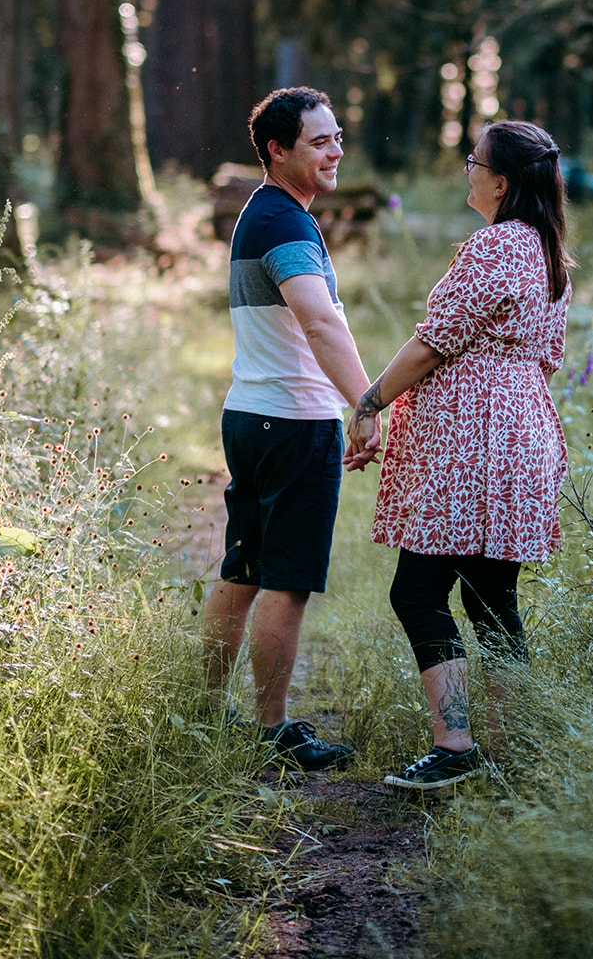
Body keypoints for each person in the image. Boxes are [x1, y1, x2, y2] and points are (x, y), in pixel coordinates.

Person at [346, 119, 574, 791]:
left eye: (471, 161)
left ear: (500, 180)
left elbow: (430, 343)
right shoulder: (548, 251)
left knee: (417, 592)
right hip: (520, 438)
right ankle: (511, 750)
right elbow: (547, 362)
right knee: (490, 595)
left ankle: (455, 746)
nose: (465, 170)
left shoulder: (494, 247)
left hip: (468, 446)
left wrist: (367, 403)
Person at [202, 87, 377, 771]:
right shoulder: (285, 224)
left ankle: (204, 712)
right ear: (277, 150)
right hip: (293, 422)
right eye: (319, 141)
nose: (334, 151)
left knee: (242, 569)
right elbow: (320, 320)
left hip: (251, 414)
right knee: (285, 580)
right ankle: (271, 730)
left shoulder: (266, 214)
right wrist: (364, 401)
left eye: (337, 138)